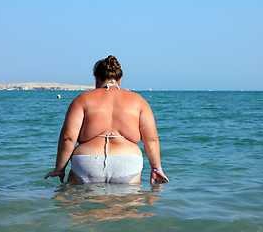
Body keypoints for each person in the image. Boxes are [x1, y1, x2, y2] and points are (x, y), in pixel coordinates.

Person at [44, 55, 169, 184]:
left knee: (76, 202)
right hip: (127, 162)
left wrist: (59, 168)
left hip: (87, 161)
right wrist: (156, 168)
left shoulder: (82, 99)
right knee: (128, 203)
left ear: (96, 79)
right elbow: (151, 140)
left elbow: (68, 137)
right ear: (120, 80)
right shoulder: (139, 102)